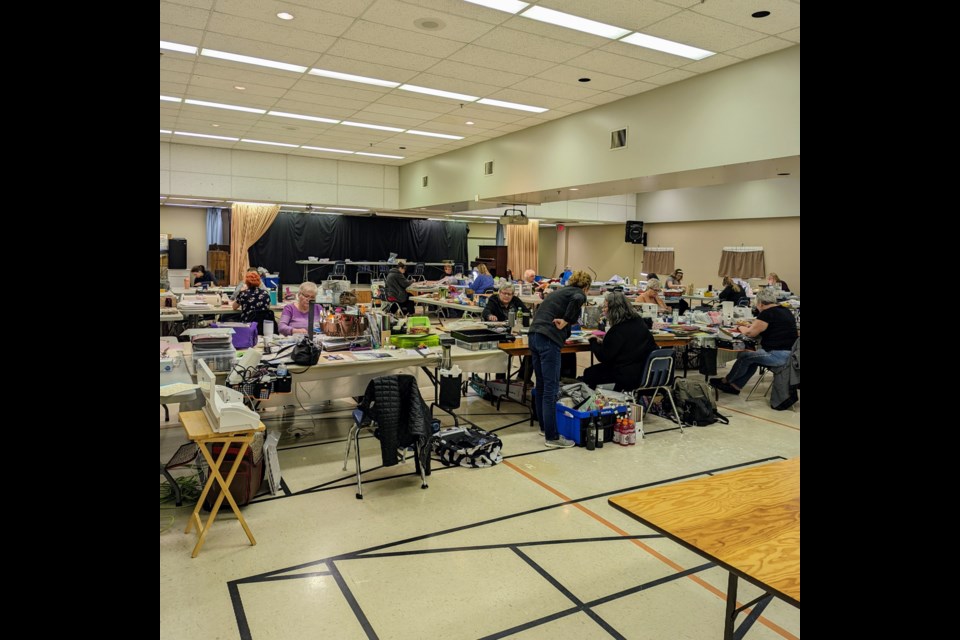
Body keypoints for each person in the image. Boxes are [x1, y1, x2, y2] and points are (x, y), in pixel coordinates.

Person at [528, 270, 592, 448]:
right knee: (551, 388)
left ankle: (544, 427)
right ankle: (552, 437)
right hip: (548, 339)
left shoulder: (559, 292)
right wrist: (566, 320)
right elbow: (579, 299)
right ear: (586, 287)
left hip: (534, 336)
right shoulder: (577, 293)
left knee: (541, 385)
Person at [710, 287, 798, 395]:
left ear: (760, 303)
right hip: (791, 354)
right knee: (752, 358)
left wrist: (739, 327)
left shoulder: (767, 313)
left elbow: (749, 333)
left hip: (777, 355)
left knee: (744, 356)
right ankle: (735, 386)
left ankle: (727, 381)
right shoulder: (785, 310)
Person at [581, 292, 656, 391]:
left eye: (606, 307)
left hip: (626, 375)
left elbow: (603, 356)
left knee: (589, 373)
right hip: (645, 371)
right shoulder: (639, 321)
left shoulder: (617, 330)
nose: (603, 309)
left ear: (614, 309)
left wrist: (593, 341)